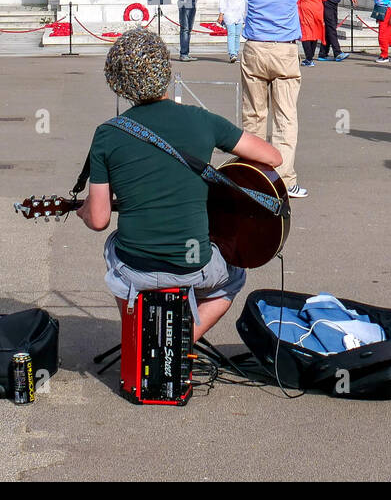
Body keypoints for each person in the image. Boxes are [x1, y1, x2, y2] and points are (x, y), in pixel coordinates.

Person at [76, 29, 282, 343]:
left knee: (112, 248)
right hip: (194, 267)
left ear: (119, 83)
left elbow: (100, 220)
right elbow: (272, 157)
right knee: (234, 277)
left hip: (137, 269)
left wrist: (82, 212)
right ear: (166, 72)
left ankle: (138, 340)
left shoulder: (107, 134)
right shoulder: (203, 120)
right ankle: (181, 340)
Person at [226, 0, 321, 199]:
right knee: (286, 117)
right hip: (284, 50)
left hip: (255, 48)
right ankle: (284, 179)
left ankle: (251, 176)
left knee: (254, 115)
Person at [216, 0, 247, 64]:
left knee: (237, 34)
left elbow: (246, 0)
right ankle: (232, 53)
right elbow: (223, 0)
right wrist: (221, 14)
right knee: (231, 33)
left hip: (240, 14)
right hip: (229, 13)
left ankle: (236, 53)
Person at [297, 0, 326, 67]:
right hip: (317, 10)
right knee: (314, 33)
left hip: (305, 10)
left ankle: (309, 58)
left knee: (305, 34)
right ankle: (310, 57)